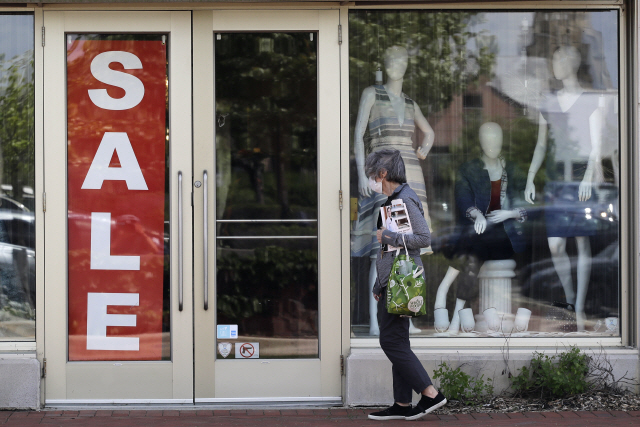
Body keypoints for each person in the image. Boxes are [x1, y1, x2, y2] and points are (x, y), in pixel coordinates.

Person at [352, 45, 435, 335]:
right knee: (382, 247)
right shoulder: (372, 94)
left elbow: (430, 131)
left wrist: (424, 147)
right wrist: (364, 174)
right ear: (385, 64)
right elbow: (358, 134)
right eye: (392, 59)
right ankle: (377, 320)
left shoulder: (411, 103)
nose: (397, 64)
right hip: (383, 176)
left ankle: (405, 316)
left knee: (408, 248)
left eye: (402, 59)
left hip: (411, 173)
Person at [525, 46, 604, 331]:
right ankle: (570, 299)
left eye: (558, 59)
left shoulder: (590, 100)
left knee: (581, 242)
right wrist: (531, 176)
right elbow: (542, 143)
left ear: (572, 62)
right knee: (556, 245)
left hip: (580, 181)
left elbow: (596, 147)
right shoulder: (549, 101)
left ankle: (580, 308)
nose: (554, 64)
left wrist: (587, 179)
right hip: (557, 181)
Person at [365, 149, 446, 421]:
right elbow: (389, 251)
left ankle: (431, 393)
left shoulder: (406, 199)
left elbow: (424, 238)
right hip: (393, 281)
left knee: (390, 340)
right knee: (398, 341)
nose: (371, 179)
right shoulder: (394, 199)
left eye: (372, 173)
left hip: (403, 282)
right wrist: (379, 283)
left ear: (383, 173)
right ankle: (401, 404)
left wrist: (387, 235)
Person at [447, 122, 528, 332]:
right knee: (473, 256)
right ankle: (458, 317)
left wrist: (508, 213)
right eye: (488, 139)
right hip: (480, 232)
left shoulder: (513, 169)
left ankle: (462, 319)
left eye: (497, 138)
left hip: (507, 234)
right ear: (481, 142)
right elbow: (463, 198)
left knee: (477, 256)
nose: (493, 143)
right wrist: (477, 215)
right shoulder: (469, 169)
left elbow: (527, 204)